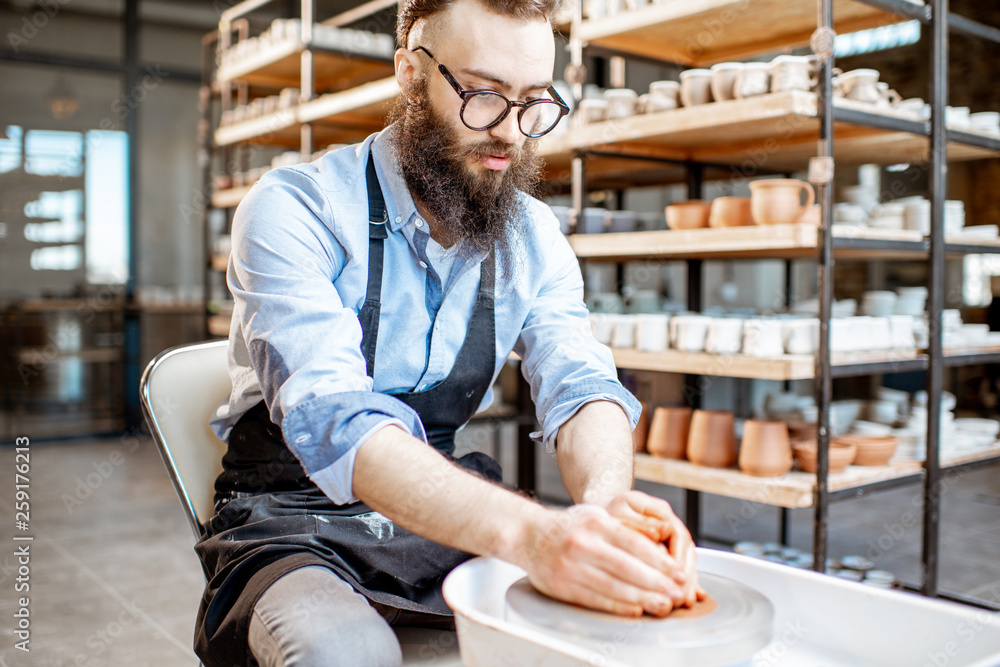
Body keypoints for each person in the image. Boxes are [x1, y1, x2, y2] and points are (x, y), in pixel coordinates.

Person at [194, 0, 701, 664]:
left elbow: (581, 382)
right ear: (410, 73)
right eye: (485, 96)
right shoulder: (296, 209)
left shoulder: (533, 237)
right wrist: (538, 537)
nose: (512, 133)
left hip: (434, 516)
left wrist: (608, 508)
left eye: (533, 103)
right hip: (291, 520)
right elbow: (339, 423)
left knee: (593, 627)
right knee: (345, 652)